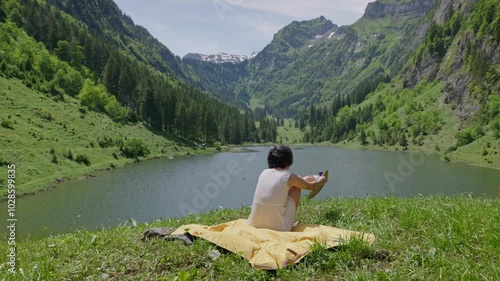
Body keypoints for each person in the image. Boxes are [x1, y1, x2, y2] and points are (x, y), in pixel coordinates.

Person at [247, 145, 328, 231]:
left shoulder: (264, 172)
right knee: (297, 188)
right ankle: (288, 223)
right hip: (278, 228)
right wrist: (321, 180)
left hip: (254, 223)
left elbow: (280, 185)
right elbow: (312, 186)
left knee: (292, 186)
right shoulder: (289, 176)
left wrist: (303, 180)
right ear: (287, 160)